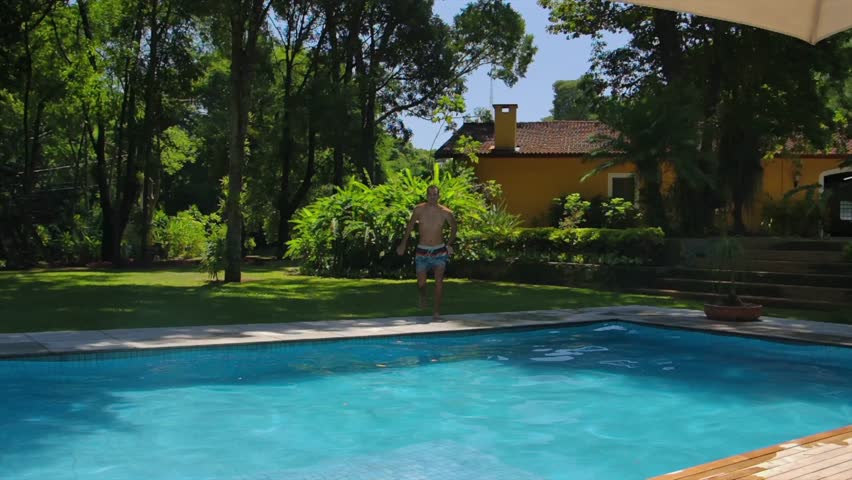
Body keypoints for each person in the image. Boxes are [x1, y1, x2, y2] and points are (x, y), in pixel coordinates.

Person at [396, 185, 457, 320]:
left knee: (439, 281)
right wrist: (403, 244)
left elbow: (454, 228)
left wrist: (449, 244)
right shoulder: (419, 210)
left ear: (439, 196)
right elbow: (410, 226)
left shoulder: (446, 212)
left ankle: (436, 311)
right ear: (426, 195)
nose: (432, 197)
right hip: (422, 250)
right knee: (421, 283)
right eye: (430, 194)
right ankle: (423, 295)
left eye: (435, 195)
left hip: (439, 250)